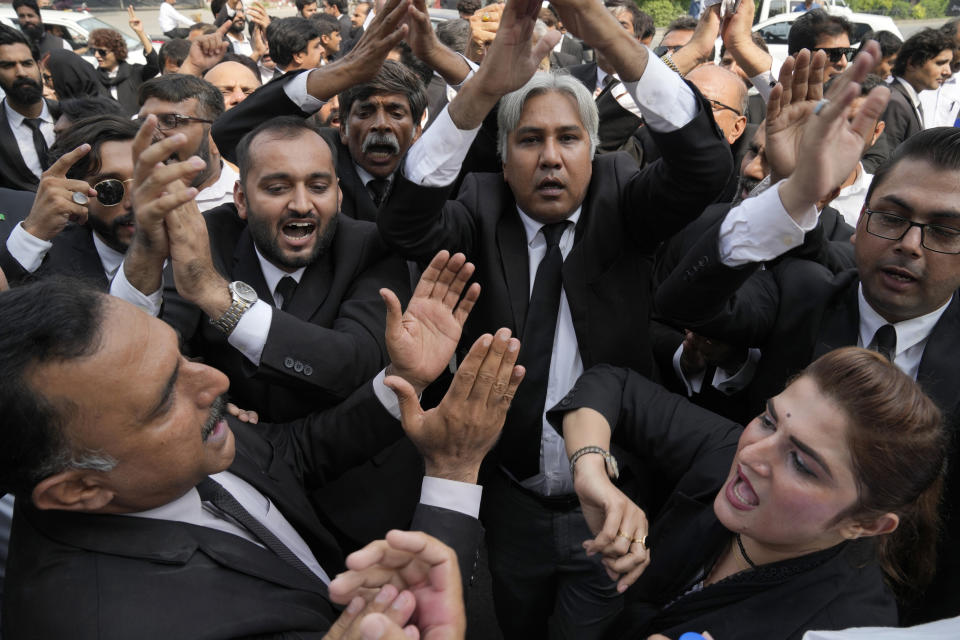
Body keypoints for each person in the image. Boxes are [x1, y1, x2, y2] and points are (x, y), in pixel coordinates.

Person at [376, 0, 730, 635]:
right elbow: (405, 221)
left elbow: (704, 167)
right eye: (530, 140)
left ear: (593, 152)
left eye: (568, 139)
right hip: (511, 498)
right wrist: (484, 86)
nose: (550, 157)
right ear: (503, 159)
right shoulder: (478, 208)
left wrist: (607, 38)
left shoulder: (623, 198)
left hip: (615, 500)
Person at [0, 241, 524, 637]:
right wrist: (453, 469)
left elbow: (290, 454)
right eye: (164, 398)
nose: (216, 383)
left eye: (184, 358)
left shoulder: (160, 455)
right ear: (77, 490)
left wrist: (403, 380)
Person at [656, 44, 960, 625]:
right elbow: (683, 300)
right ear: (861, 211)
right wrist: (790, 193)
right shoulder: (804, 291)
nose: (911, 245)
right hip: (744, 589)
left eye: (945, 230)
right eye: (893, 217)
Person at [551, 347, 944, 639]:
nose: (752, 455)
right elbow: (612, 384)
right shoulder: (729, 451)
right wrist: (591, 471)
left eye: (803, 464)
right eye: (768, 422)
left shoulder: (847, 626)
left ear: (867, 523)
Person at [0, 115, 135, 289]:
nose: (134, 201)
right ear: (74, 194)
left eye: (145, 181)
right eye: (110, 188)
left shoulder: (179, 254)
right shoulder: (47, 268)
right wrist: (33, 233)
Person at [137, 74, 237, 211]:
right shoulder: (128, 203)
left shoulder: (248, 201)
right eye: (144, 122)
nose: (152, 133)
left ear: (215, 136)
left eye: (170, 120)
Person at [863, 28, 954, 172]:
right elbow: (885, 163)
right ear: (912, 63)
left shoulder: (907, 99)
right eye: (940, 63)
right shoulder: (895, 102)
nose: (947, 72)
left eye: (949, 64)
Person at [0, 24, 58, 192]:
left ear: (39, 66)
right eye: (8, 66)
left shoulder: (71, 116)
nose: (21, 73)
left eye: (27, 63)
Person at [88, 8, 159, 115]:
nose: (96, 55)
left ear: (116, 51)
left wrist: (140, 32)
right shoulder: (93, 79)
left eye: (102, 52)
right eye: (93, 50)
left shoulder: (134, 72)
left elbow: (154, 65)